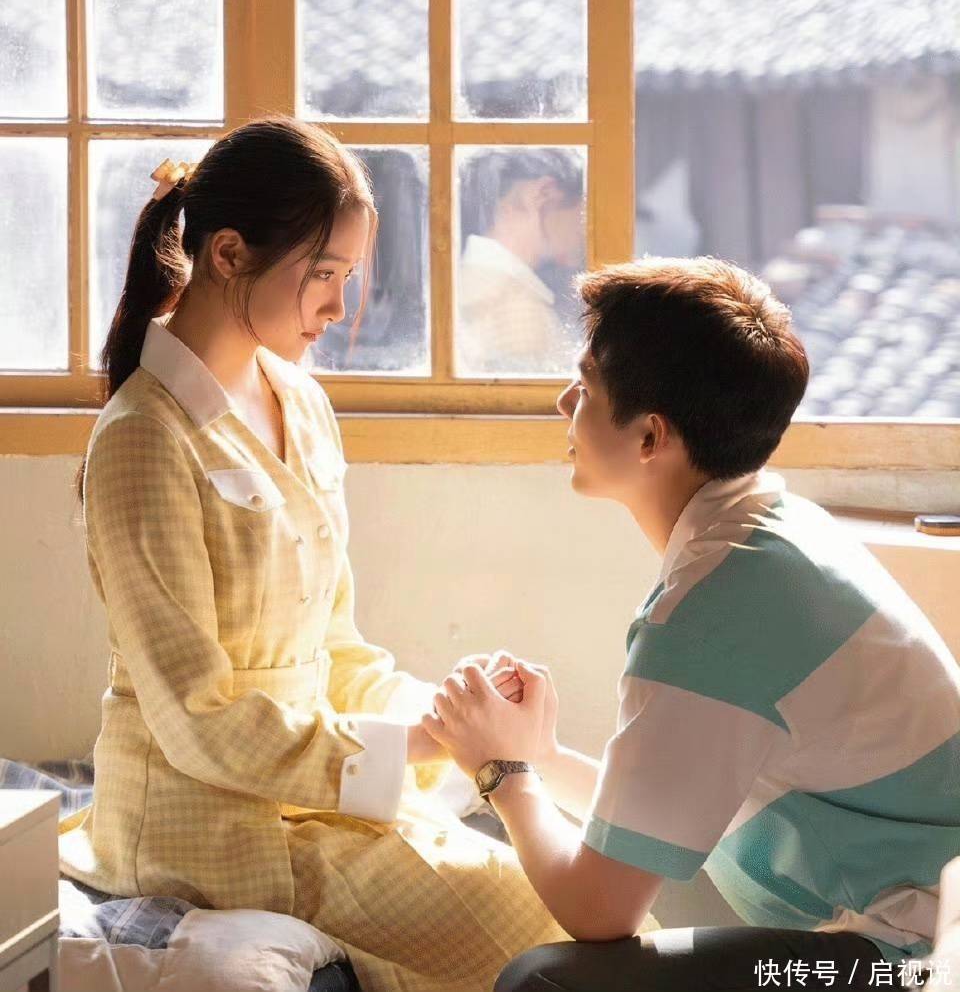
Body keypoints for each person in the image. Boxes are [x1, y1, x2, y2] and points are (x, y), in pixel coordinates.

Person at [58, 117, 577, 992]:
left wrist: (450, 714)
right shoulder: (143, 437)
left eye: (348, 277)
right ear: (228, 253)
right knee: (535, 920)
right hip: (207, 827)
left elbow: (334, 649)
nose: (339, 308)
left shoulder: (299, 403)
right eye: (324, 274)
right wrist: (416, 745)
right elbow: (198, 718)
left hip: (308, 800)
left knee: (557, 886)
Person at [422, 256, 960, 992]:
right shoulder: (775, 536)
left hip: (915, 961)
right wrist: (538, 758)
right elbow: (659, 818)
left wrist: (500, 772)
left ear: (650, 437)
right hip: (919, 929)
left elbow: (598, 908)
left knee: (542, 982)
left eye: (586, 387)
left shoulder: (712, 611)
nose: (563, 402)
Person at [457, 148, 583, 374]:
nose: (587, 228)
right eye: (584, 210)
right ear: (543, 193)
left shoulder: (468, 281)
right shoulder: (517, 308)